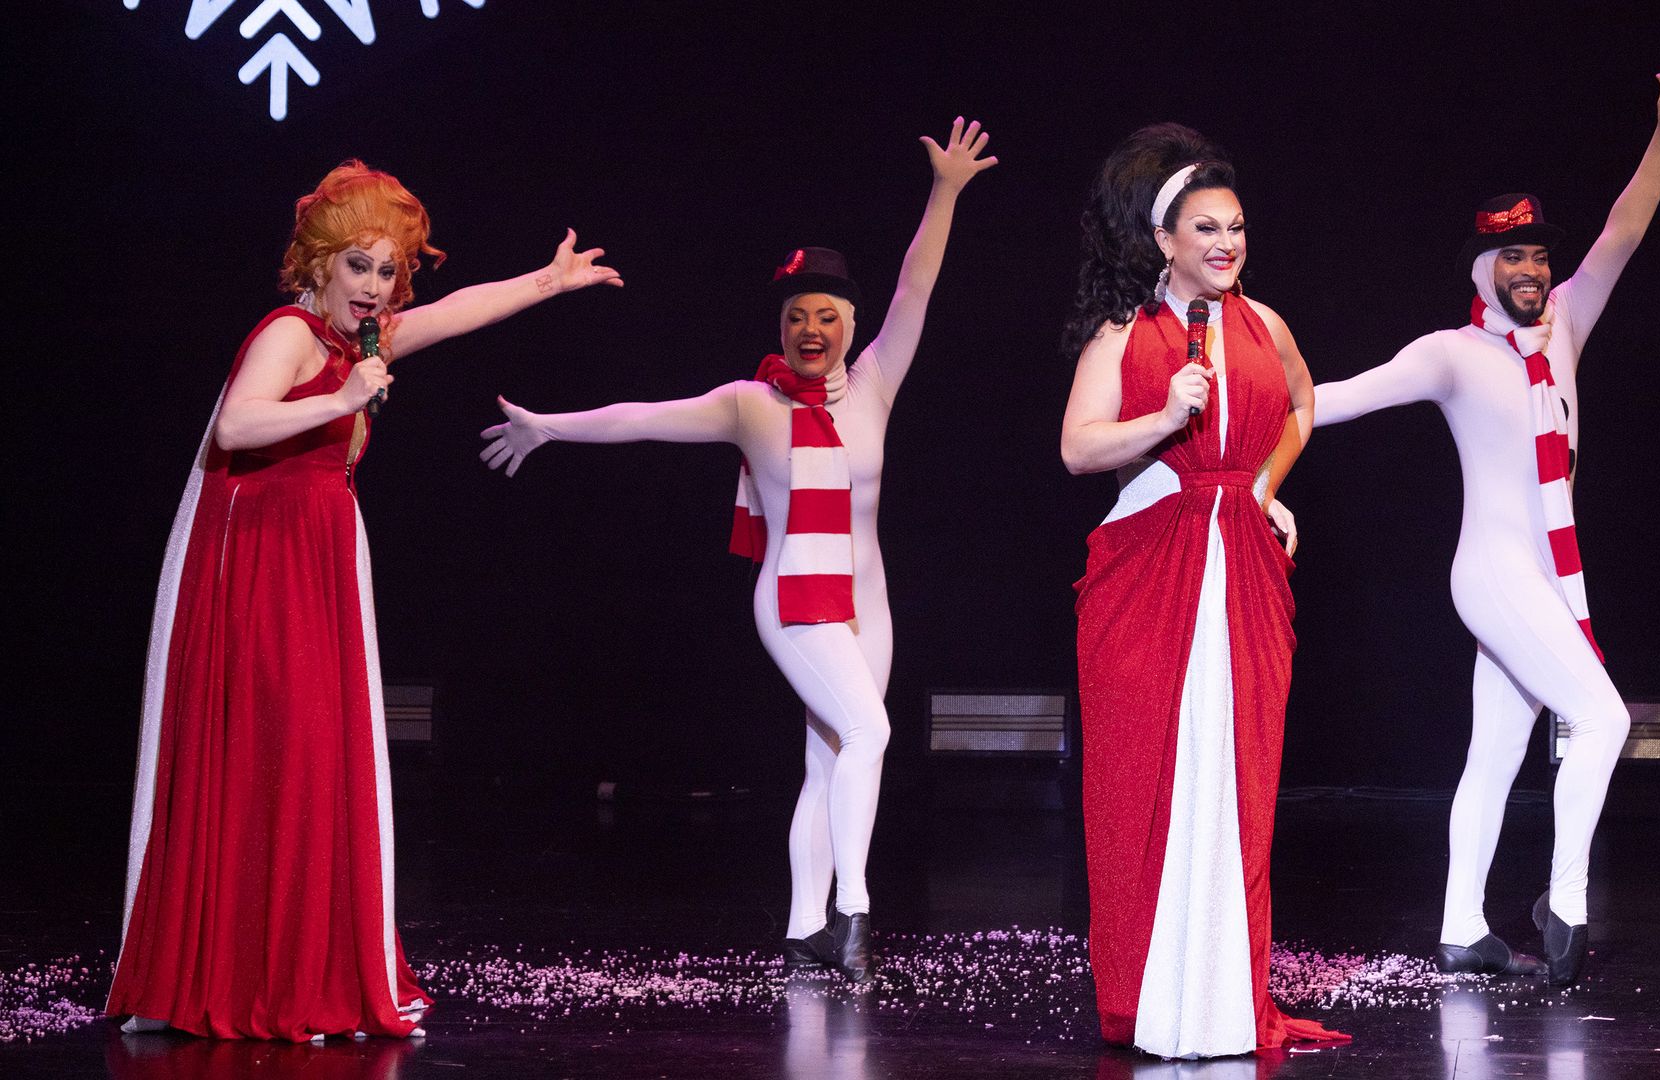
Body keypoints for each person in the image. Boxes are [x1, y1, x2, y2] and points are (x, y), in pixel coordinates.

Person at [109, 160, 622, 1041]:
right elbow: (236, 425)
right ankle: (228, 973)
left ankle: (296, 964)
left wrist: (549, 281)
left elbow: (452, 316)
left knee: (316, 759)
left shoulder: (364, 341)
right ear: (318, 265)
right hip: (262, 564)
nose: (377, 288)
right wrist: (341, 400)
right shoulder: (290, 332)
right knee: (281, 750)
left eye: (389, 271)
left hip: (318, 555)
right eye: (360, 267)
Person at [479, 118, 997, 983]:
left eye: (826, 316)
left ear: (848, 323)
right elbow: (638, 419)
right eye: (797, 317)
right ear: (782, 325)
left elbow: (917, 287)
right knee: (870, 729)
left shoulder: (874, 385)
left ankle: (803, 930)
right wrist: (548, 429)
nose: (810, 329)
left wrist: (944, 189)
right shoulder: (751, 406)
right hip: (794, 597)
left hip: (867, 598)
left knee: (829, 759)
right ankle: (855, 914)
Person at [1312, 63, 1660, 985]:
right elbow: (1334, 398)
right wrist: (1229, 396)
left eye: (1541, 256)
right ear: (1481, 269)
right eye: (1513, 257)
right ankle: (1566, 907)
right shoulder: (1453, 354)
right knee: (1605, 718)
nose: (1534, 270)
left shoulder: (1569, 328)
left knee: (1497, 755)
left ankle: (1462, 924)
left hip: (1545, 575)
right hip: (1493, 570)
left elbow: (1623, 235)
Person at [1060, 123, 1345, 1058]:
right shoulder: (1123, 331)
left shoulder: (1267, 325)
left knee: (1236, 780)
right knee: (1147, 781)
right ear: (1163, 240)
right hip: (1151, 564)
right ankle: (1149, 999)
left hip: (1244, 568)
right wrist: (1163, 415)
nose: (1227, 244)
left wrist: (1265, 487)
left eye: (1237, 227)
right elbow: (1076, 448)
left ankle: (1223, 1000)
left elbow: (1304, 404)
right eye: (1206, 229)